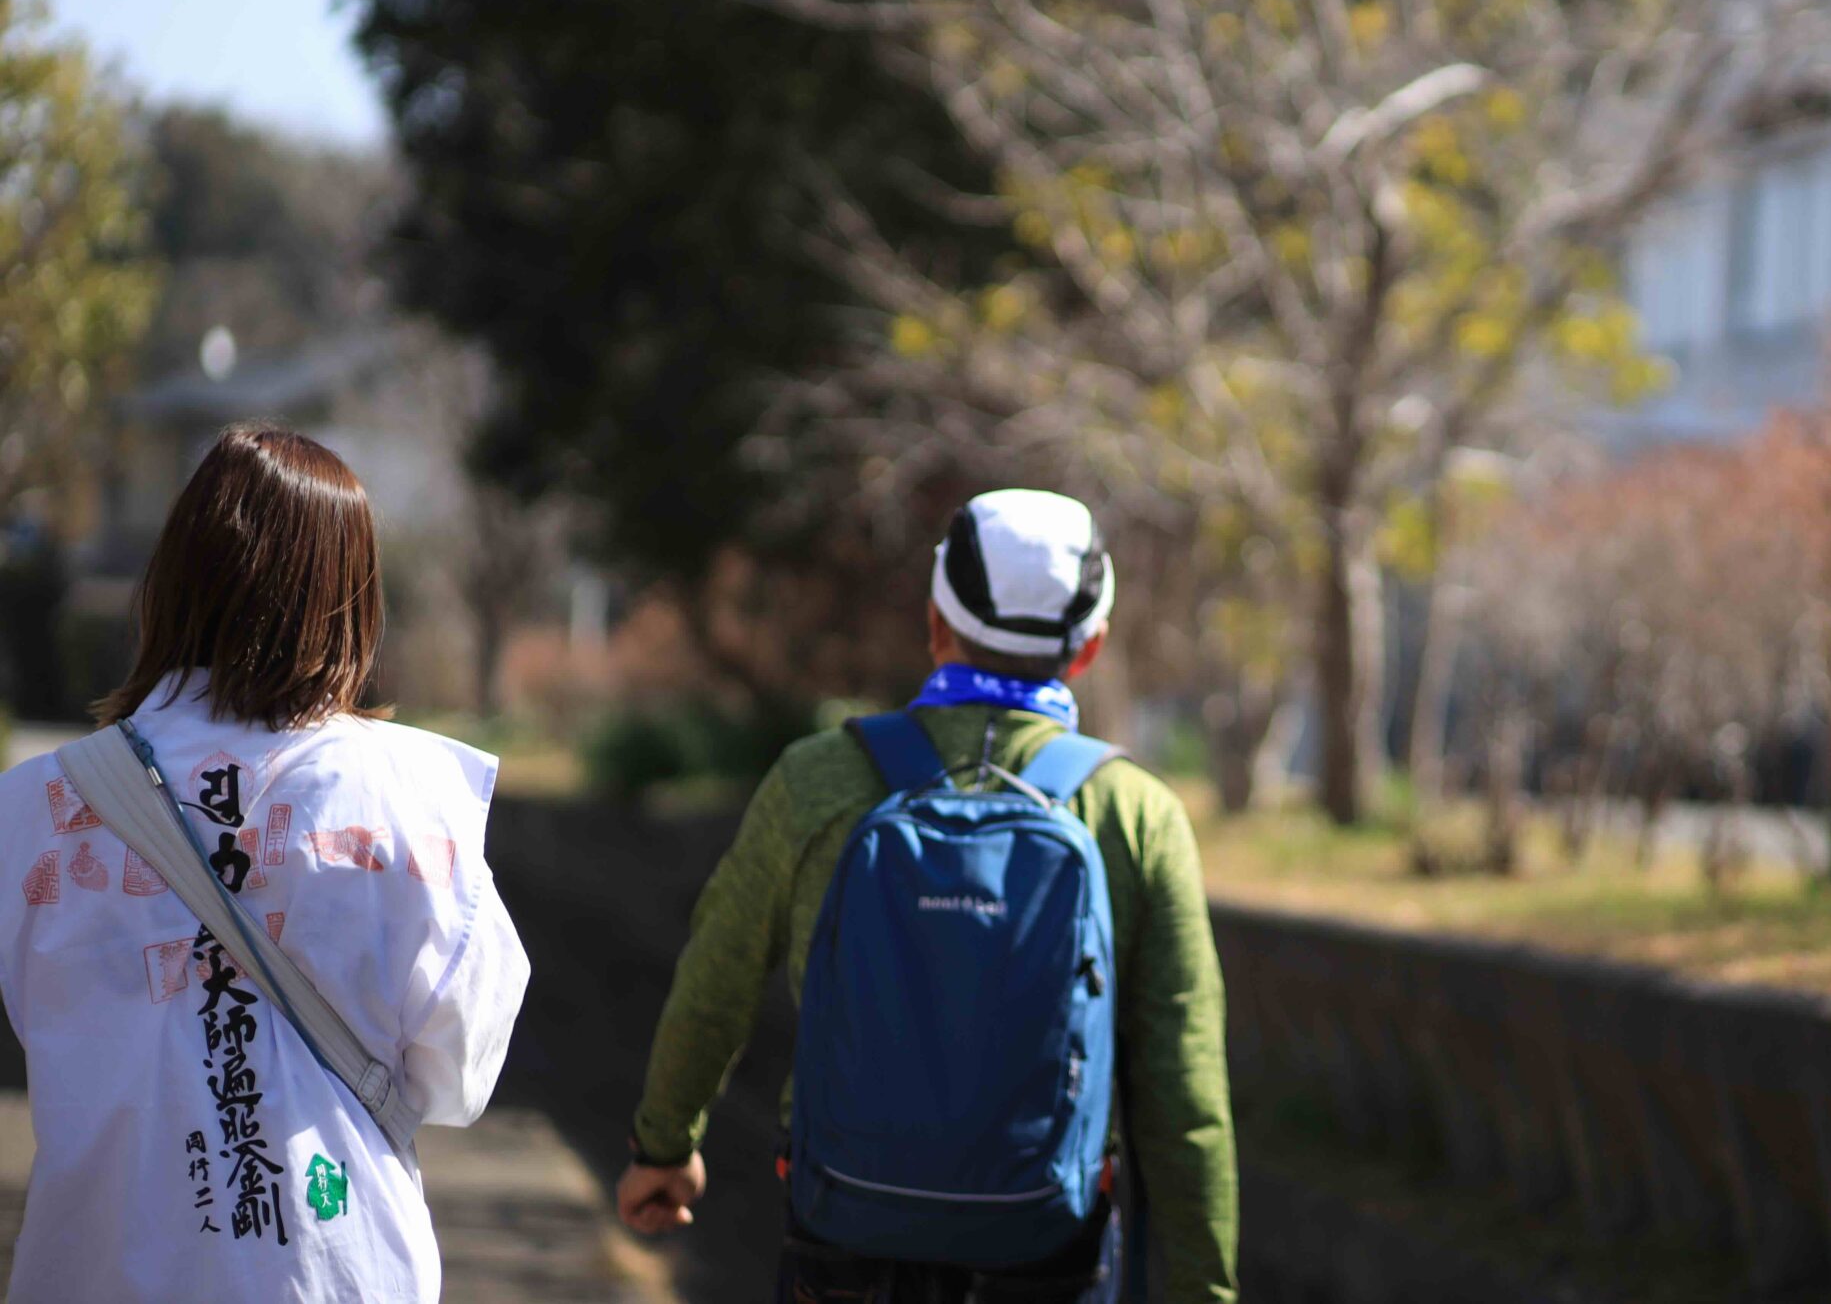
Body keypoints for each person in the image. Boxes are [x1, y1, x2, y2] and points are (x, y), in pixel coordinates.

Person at [618, 489, 1240, 1303]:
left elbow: (716, 980)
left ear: (935, 623)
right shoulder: (1136, 813)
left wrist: (663, 1147)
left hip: (845, 1228)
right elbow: (1185, 1091)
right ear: (1089, 648)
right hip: (1048, 1246)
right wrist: (1203, 1288)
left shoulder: (818, 780)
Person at [0, 425, 531, 1303]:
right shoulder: (409, 802)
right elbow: (460, 1075)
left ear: (173, 582)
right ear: (350, 598)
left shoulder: (37, 809)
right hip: (333, 1274)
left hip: (94, 1270)